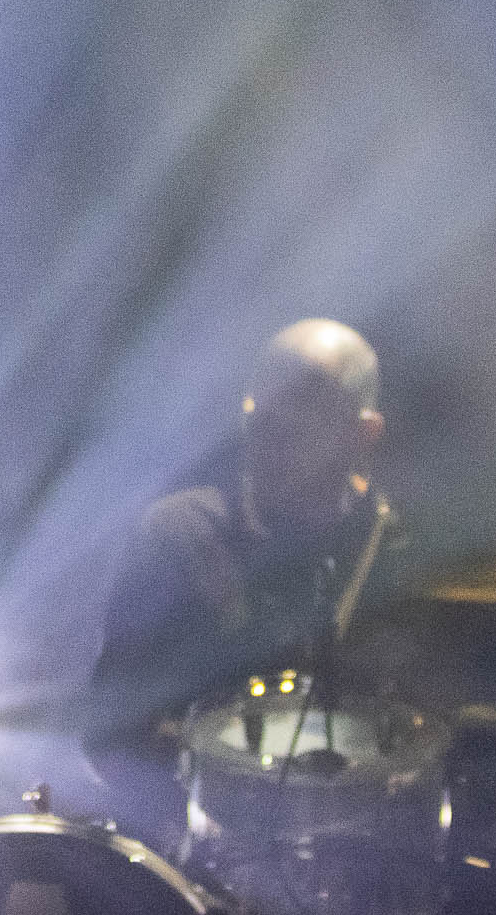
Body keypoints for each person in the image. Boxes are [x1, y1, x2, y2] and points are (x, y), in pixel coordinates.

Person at [81, 317, 387, 846]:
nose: (276, 431)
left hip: (359, 859)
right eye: (265, 412)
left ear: (363, 435)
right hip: (197, 855)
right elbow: (110, 731)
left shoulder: (393, 552)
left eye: (305, 415)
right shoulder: (180, 536)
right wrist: (196, 821)